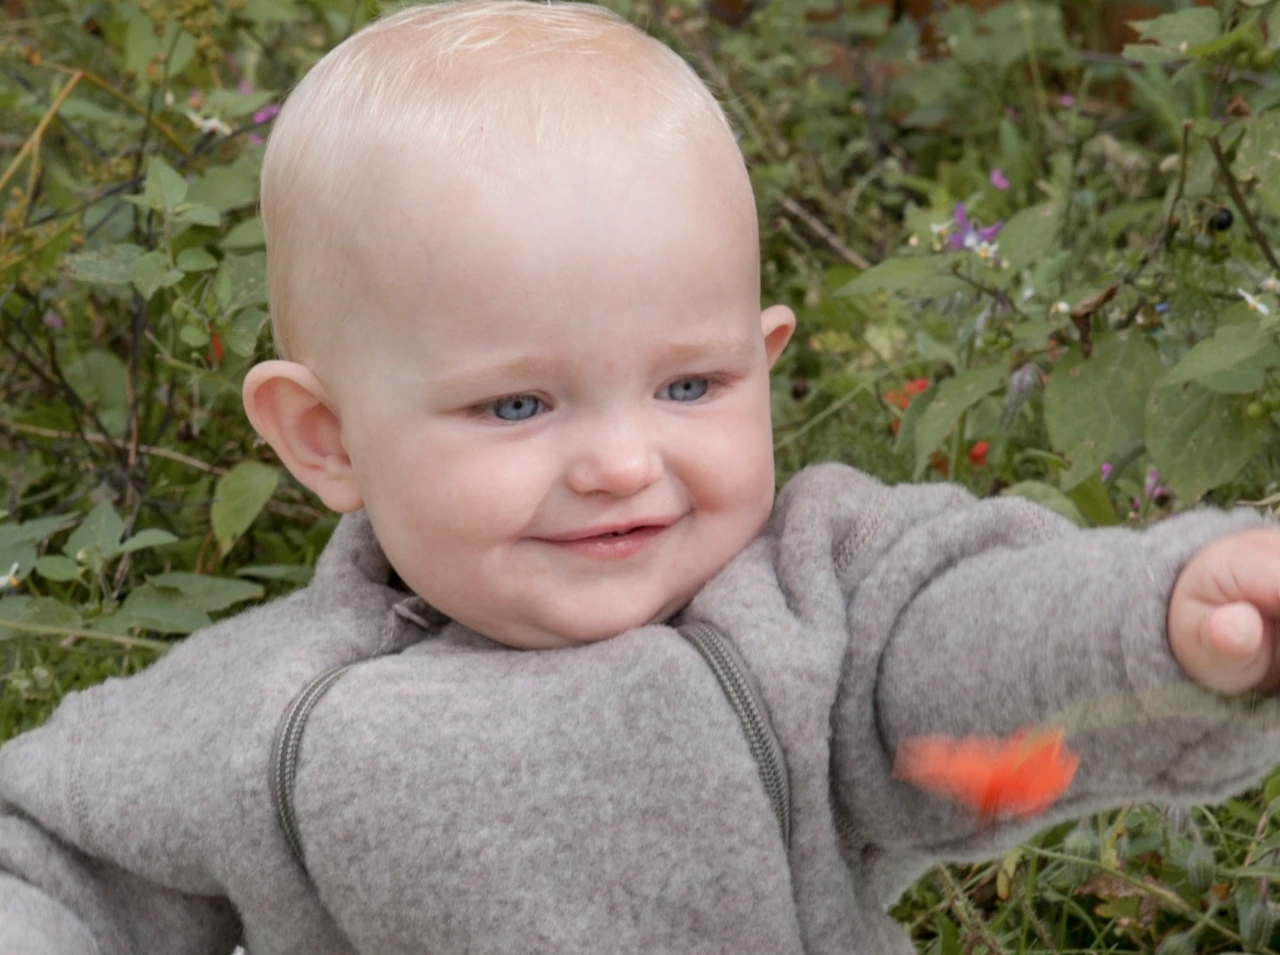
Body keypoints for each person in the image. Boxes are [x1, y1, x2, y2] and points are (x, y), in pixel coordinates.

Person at [3, 2, 1279, 953]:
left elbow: (963, 636)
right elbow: (53, 848)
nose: (623, 463)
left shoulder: (805, 607)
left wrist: (1159, 615)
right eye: (516, 403)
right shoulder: (270, 708)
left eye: (689, 386)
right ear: (324, 437)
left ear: (763, 362)